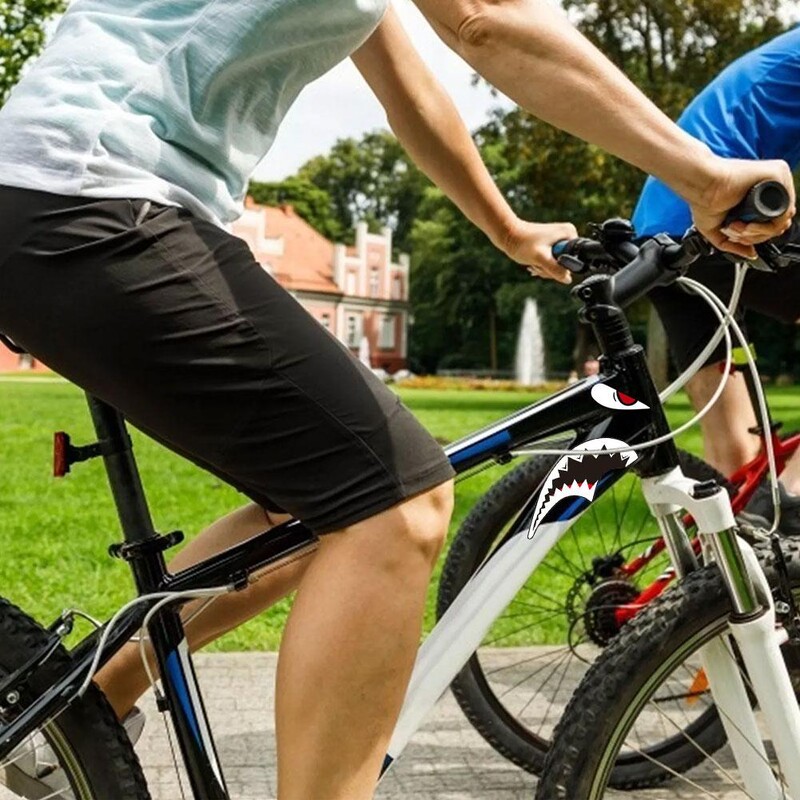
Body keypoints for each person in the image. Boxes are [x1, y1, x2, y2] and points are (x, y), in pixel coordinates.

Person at [0, 0, 792, 797]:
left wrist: (505, 227)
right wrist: (703, 174)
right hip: (94, 193)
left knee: (310, 515)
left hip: (58, 193)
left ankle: (76, 717)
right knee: (396, 506)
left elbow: (409, 87)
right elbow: (485, 21)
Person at [633, 25, 800, 534]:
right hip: (719, 219)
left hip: (659, 238)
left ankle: (726, 567)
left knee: (735, 462)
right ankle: (793, 498)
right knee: (769, 494)